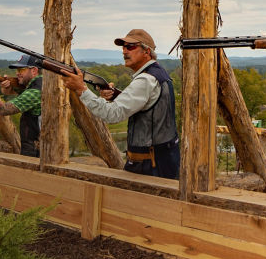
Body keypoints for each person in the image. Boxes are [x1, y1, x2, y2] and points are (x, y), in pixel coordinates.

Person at [61, 29, 180, 179]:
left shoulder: (145, 80)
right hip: (163, 159)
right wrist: (115, 96)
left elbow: (112, 115)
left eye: (130, 47)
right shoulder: (158, 74)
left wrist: (81, 89)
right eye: (123, 47)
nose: (124, 51)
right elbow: (146, 105)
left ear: (146, 51)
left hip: (149, 165)